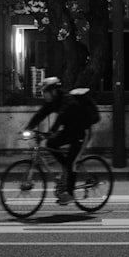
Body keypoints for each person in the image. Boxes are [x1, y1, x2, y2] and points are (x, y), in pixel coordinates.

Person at [24, 76, 92, 204]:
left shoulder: (67, 99)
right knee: (51, 143)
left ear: (53, 91)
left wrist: (52, 131)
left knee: (72, 162)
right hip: (69, 131)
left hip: (82, 132)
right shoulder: (53, 102)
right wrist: (28, 128)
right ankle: (67, 166)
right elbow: (40, 114)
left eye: (45, 92)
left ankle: (69, 194)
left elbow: (61, 116)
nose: (44, 95)